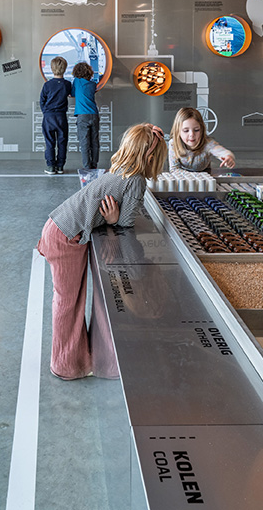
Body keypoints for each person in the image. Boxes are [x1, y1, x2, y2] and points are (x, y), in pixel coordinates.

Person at [37, 123, 167, 380]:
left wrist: (114, 218)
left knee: (72, 300)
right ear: (151, 158)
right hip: (65, 236)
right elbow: (126, 221)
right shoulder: (136, 180)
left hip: (59, 229)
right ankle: (65, 365)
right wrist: (115, 219)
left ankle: (79, 361)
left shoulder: (119, 170)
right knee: (67, 301)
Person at [167, 106, 236, 172]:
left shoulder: (207, 143)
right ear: (178, 131)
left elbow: (222, 152)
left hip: (205, 179)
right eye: (186, 131)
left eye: (196, 130)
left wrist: (228, 157)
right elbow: (174, 169)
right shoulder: (173, 143)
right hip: (182, 180)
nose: (192, 135)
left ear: (202, 129)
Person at [39, 57, 73, 174]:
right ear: (64, 68)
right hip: (61, 117)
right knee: (62, 142)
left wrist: (46, 112)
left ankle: (50, 167)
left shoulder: (47, 85)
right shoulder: (67, 84)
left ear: (52, 68)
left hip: (48, 117)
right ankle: (60, 166)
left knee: (49, 142)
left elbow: (42, 101)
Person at [71, 61, 100, 170]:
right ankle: (94, 164)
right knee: (94, 141)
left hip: (82, 116)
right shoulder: (93, 84)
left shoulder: (77, 82)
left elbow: (73, 94)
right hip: (94, 114)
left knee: (84, 142)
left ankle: (87, 167)